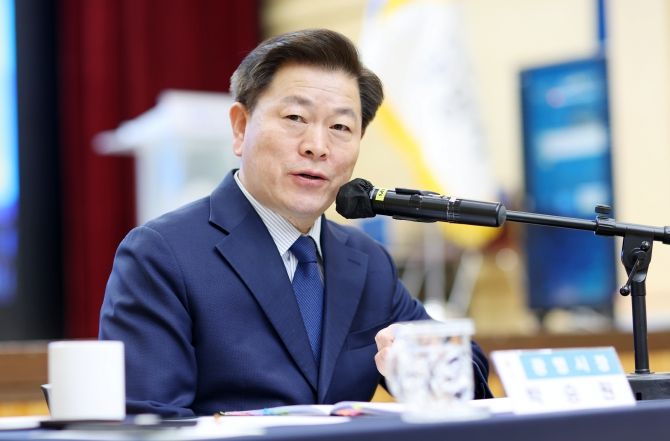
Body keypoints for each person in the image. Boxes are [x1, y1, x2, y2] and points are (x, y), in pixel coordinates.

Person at [99, 28, 492, 417]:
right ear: (240, 127)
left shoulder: (367, 261)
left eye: (340, 127)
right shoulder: (162, 255)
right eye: (295, 117)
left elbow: (468, 378)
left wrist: (421, 359)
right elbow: (147, 422)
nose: (317, 146)